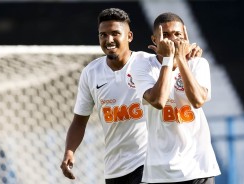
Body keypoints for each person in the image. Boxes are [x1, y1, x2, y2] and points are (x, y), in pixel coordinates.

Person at [130, 12, 221, 184]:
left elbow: (198, 100)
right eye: (166, 35)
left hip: (198, 167)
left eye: (178, 34)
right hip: (160, 171)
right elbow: (158, 101)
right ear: (154, 39)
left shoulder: (198, 63)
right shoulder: (142, 66)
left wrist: (180, 60)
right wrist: (168, 61)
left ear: (186, 36)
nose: (173, 40)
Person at [60, 8, 147, 184]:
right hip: (114, 168)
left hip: (147, 163)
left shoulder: (148, 63)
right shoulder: (91, 73)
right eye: (103, 35)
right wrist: (69, 151)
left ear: (129, 36)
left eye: (115, 33)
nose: (109, 40)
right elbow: (79, 120)